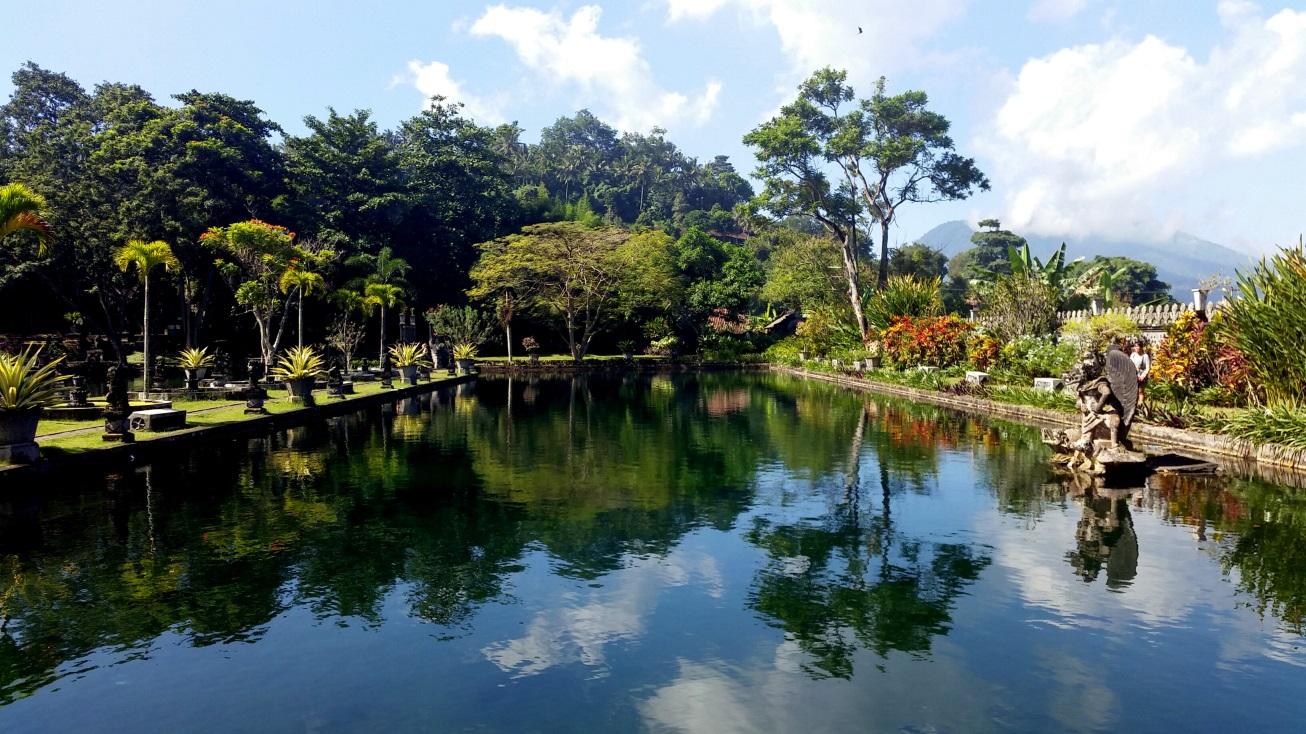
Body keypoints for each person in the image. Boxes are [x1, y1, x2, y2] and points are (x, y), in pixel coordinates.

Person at [1130, 337, 1151, 406]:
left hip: (1142, 376)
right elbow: (1130, 364)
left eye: (1137, 346)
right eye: (1134, 346)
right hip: (1133, 376)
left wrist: (1143, 376)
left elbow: (1147, 368)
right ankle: (1133, 406)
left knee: (1140, 391)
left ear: (1141, 347)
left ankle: (1140, 406)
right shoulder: (1133, 355)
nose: (1135, 348)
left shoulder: (1145, 356)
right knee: (1133, 392)